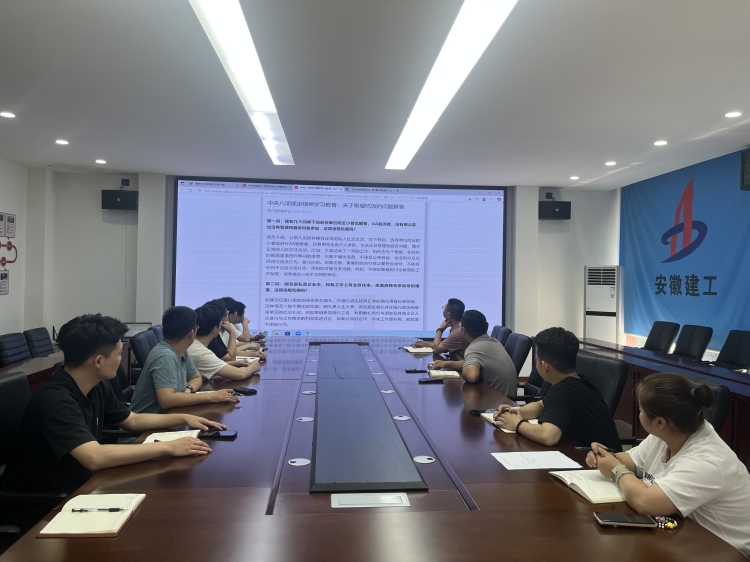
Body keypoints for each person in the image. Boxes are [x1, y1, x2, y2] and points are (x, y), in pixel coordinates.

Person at [3, 314, 226, 494]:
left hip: (82, 484)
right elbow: (94, 457)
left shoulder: (96, 384)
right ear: (98, 361)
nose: (121, 360)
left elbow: (131, 420)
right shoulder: (55, 399)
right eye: (119, 354)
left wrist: (183, 418)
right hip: (47, 502)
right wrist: (169, 446)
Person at [586, 373, 750, 556]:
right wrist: (606, 457)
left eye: (640, 409)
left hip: (729, 552)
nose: (639, 413)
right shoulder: (669, 433)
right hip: (689, 536)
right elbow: (630, 461)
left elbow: (644, 502)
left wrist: (616, 469)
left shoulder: (707, 461)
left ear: (659, 422)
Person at [493, 327, 621, 450]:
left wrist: (517, 424)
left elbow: (548, 436)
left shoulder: (561, 392)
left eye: (537, 360)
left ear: (545, 366)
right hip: (605, 457)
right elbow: (541, 406)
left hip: (600, 461)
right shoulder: (581, 382)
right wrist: (515, 412)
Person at [129, 306, 240, 415]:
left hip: (171, 413)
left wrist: (188, 389)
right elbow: (166, 401)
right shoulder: (165, 356)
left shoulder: (180, 349)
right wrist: (212, 396)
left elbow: (196, 377)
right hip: (148, 422)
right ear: (191, 333)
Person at [432, 310, 516, 395]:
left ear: (463, 331)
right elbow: (470, 363)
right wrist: (446, 364)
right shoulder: (494, 341)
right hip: (506, 399)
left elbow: (471, 376)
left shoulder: (474, 348)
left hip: (496, 401)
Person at [188, 304, 261, 380]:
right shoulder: (202, 353)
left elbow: (211, 362)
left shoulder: (193, 344)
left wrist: (236, 363)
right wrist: (252, 367)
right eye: (220, 324)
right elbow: (241, 374)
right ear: (214, 329)